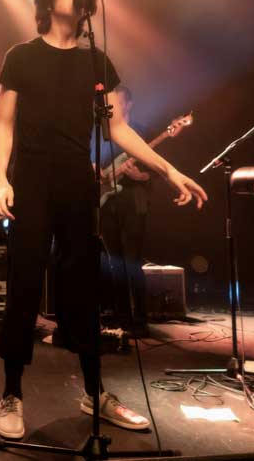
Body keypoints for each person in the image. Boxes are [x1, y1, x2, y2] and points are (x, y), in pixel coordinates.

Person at [0, 0, 207, 439]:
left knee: (83, 287)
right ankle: (11, 392)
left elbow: (118, 129)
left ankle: (94, 390)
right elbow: (3, 123)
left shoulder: (97, 63)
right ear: (48, 0)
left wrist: (169, 169)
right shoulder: (20, 57)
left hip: (76, 183)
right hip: (31, 180)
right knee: (24, 283)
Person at [99, 86, 152, 335]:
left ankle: (140, 320)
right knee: (114, 263)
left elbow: (154, 172)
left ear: (128, 105)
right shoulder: (102, 134)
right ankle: (120, 317)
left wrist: (139, 175)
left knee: (132, 262)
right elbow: (94, 163)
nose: (112, 108)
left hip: (133, 203)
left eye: (117, 103)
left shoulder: (141, 132)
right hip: (108, 204)